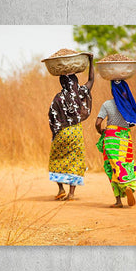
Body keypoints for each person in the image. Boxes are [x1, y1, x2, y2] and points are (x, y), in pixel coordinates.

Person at [48, 54, 94, 201]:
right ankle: (72, 193)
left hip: (61, 132)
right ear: (75, 81)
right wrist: (91, 61)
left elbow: (52, 116)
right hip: (75, 132)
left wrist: (55, 133)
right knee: (75, 160)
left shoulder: (58, 97)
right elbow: (91, 79)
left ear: (61, 82)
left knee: (56, 159)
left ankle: (61, 188)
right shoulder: (79, 93)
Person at [95, 79, 136, 208]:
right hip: (125, 138)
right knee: (126, 163)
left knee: (111, 167)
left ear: (112, 91)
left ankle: (118, 201)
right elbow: (133, 122)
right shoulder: (128, 105)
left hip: (111, 138)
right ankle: (129, 187)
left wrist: (101, 132)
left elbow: (98, 123)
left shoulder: (107, 104)